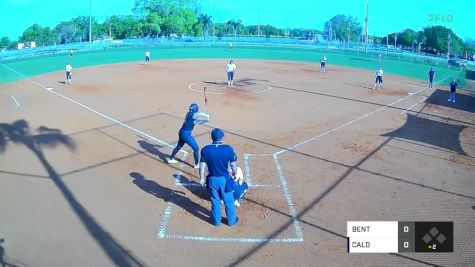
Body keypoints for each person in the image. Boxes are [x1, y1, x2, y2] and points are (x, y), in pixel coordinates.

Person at [199, 128, 239, 226]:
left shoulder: (205, 149)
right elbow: (233, 165)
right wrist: (235, 173)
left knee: (215, 201)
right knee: (228, 201)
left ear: (211, 137)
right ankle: (231, 221)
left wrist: (201, 178)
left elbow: (202, 166)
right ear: (222, 137)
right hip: (225, 180)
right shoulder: (228, 148)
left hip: (212, 180)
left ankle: (216, 221)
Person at [166, 103, 200, 168]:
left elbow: (199, 118)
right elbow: (200, 118)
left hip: (182, 132)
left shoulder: (189, 113)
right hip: (186, 134)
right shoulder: (193, 116)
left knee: (179, 146)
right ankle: (196, 164)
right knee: (196, 148)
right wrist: (206, 117)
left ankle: (171, 159)